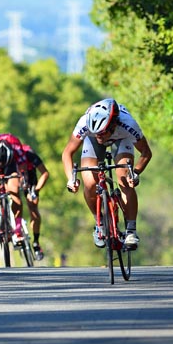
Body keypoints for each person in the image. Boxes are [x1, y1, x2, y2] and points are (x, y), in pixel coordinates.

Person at [62, 98, 152, 249]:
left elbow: (146, 152)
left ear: (114, 124)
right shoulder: (84, 123)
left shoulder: (128, 124)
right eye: (96, 133)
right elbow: (67, 153)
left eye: (102, 133)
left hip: (122, 138)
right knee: (90, 182)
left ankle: (131, 230)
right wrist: (71, 179)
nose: (100, 137)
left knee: (124, 177)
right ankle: (99, 223)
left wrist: (135, 172)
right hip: (90, 141)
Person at [21, 143, 50, 260]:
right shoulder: (10, 158)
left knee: (32, 207)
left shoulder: (29, 154)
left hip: (29, 179)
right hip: (13, 176)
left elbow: (45, 173)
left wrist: (36, 189)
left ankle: (36, 243)